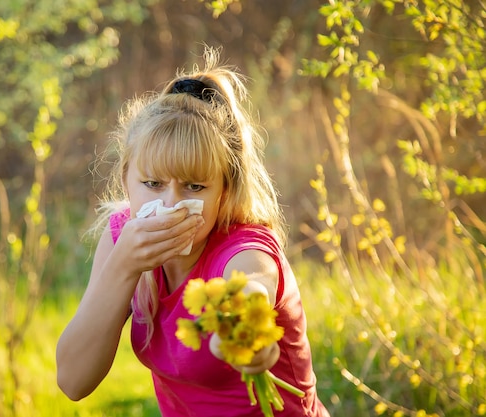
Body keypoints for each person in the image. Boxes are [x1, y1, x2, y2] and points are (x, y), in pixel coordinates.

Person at [56, 47, 330, 417]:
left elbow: (252, 283)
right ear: (126, 180)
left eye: (195, 187)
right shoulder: (124, 238)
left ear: (224, 191)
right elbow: (73, 380)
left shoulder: (245, 248)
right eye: (152, 183)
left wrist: (245, 327)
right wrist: (123, 267)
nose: (170, 205)